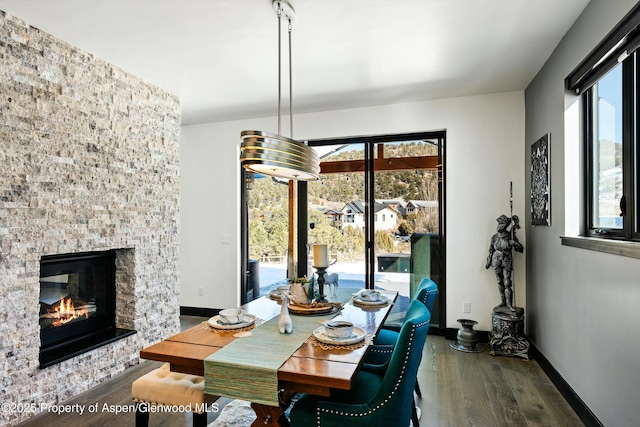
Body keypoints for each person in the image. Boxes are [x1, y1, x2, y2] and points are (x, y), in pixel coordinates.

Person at [486, 214, 523, 312]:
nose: (499, 226)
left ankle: (509, 304)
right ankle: (503, 301)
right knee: (499, 281)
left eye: (501, 224)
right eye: (499, 224)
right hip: (496, 260)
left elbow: (520, 249)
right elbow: (491, 250)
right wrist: (489, 261)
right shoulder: (494, 237)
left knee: (507, 283)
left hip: (506, 260)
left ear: (505, 225)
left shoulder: (510, 236)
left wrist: (514, 243)